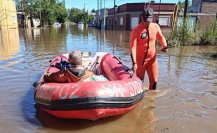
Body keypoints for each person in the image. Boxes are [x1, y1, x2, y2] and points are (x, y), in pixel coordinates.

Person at [130, 8, 167, 90]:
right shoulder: (136, 31)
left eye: (149, 20)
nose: (148, 22)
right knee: (140, 83)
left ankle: (151, 101)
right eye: (146, 20)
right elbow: (133, 47)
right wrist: (134, 63)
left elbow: (161, 37)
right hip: (140, 61)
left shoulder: (155, 27)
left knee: (154, 82)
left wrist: (164, 45)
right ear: (142, 18)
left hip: (152, 60)